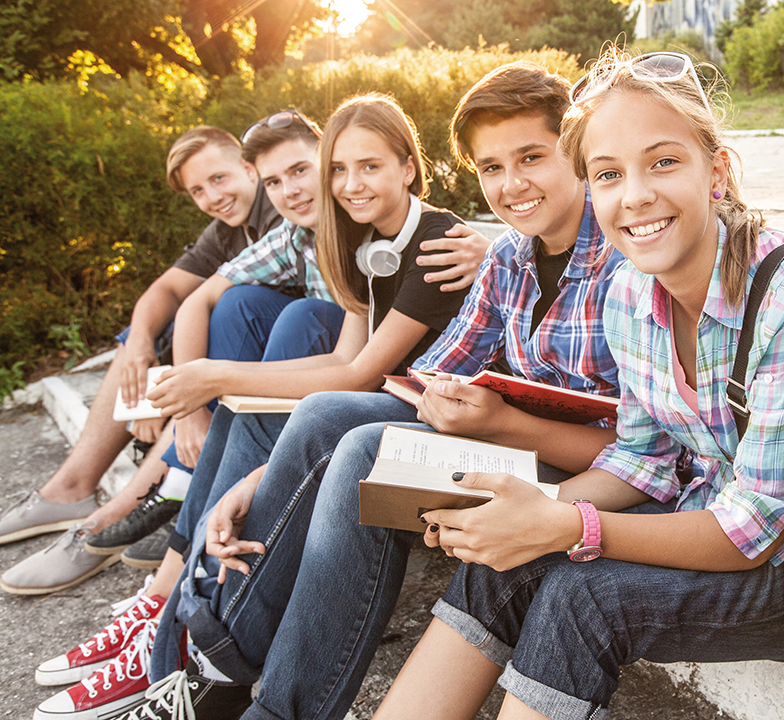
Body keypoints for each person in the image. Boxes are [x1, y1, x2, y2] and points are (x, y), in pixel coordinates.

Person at [366, 50, 784, 720]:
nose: (634, 195)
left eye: (663, 162)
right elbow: (644, 459)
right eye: (607, 174)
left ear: (715, 171)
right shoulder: (629, 292)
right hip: (718, 510)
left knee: (585, 599)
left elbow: (757, 530)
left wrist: (563, 521)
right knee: (506, 562)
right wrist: (514, 515)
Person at [108, 61, 630, 720]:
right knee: (327, 421)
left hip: (586, 477)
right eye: (491, 168)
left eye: (532, 157)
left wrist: (497, 423)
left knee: (360, 456)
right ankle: (215, 671)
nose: (512, 183)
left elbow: (643, 453)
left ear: (577, 153)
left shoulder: (622, 259)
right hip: (505, 442)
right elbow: (423, 379)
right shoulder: (505, 258)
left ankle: (244, 693)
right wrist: (273, 476)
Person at [30, 100, 484, 720]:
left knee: (315, 411)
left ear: (410, 167)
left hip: (442, 422)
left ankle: (191, 653)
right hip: (388, 408)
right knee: (255, 406)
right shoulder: (361, 242)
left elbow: (355, 374)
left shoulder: (436, 243)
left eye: (370, 166)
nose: (350, 185)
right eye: (340, 170)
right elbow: (345, 361)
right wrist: (223, 396)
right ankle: (178, 638)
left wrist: (215, 376)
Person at [0, 126, 284, 596]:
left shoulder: (283, 214)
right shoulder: (229, 227)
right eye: (198, 190)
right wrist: (139, 349)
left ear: (248, 167)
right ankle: (71, 487)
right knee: (143, 332)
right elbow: (168, 290)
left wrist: (185, 407)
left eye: (219, 178)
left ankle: (114, 515)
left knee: (230, 311)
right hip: (233, 364)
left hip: (278, 366)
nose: (212, 197)